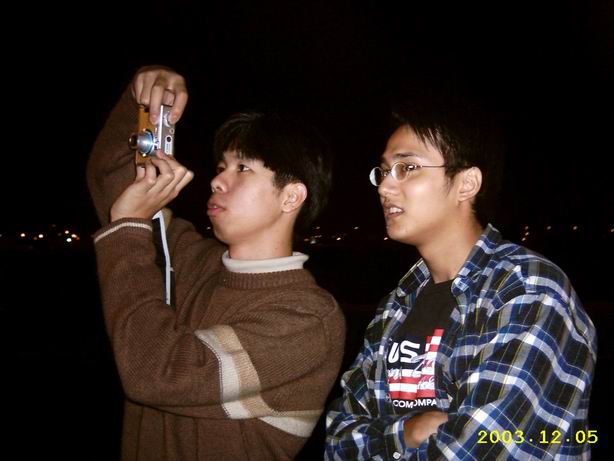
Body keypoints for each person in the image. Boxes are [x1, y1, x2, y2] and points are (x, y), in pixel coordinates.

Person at [87, 65, 345, 461]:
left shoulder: (306, 319)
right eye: (222, 167)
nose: (217, 180)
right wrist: (142, 104)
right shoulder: (194, 261)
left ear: (291, 197)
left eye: (243, 168)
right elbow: (113, 185)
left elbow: (155, 373)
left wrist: (128, 229)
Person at [325, 89, 597, 460]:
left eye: (408, 167)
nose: (385, 186)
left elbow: (481, 448)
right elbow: (338, 440)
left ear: (466, 184)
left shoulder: (526, 288)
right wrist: (409, 432)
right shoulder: (396, 305)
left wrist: (384, 440)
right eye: (384, 171)